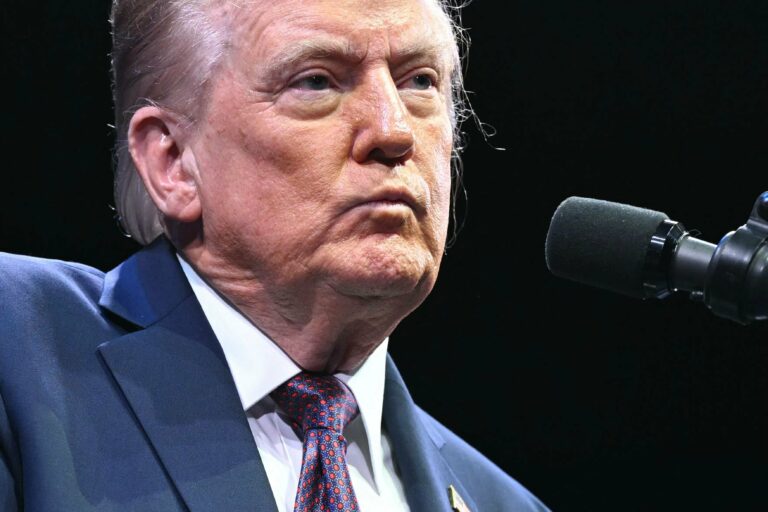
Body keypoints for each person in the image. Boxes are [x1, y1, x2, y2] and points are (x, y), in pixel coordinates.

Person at [0, 0, 550, 510]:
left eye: (420, 81)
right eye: (316, 81)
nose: (394, 131)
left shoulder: (503, 503)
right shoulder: (18, 351)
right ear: (173, 161)